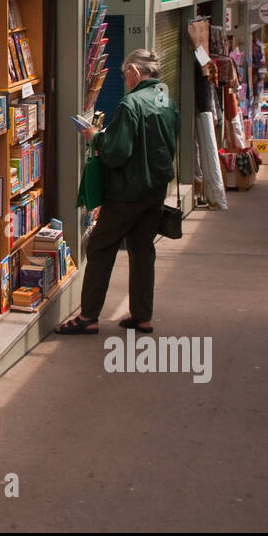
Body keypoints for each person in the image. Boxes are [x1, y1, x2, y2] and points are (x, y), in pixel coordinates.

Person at [56, 48, 180, 335]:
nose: (125, 80)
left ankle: (88, 317)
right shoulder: (166, 101)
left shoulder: (130, 104)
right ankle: (142, 316)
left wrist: (95, 137)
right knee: (142, 249)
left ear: (135, 72)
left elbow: (116, 152)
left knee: (100, 246)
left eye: (125, 75)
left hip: (127, 192)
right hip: (155, 190)